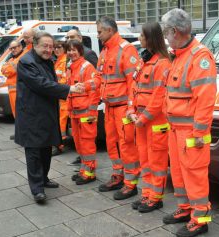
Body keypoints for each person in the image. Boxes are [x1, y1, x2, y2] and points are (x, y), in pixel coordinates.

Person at [161, 9, 217, 237]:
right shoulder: (182, 55)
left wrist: (198, 134)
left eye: (166, 32)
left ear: (175, 31)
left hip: (191, 132)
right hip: (177, 129)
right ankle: (185, 209)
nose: (165, 37)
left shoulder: (199, 57)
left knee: (194, 175)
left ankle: (200, 219)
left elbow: (205, 99)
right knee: (179, 173)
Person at [15, 31, 83, 203]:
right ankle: (37, 189)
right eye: (45, 46)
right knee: (33, 152)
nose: (48, 50)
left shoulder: (47, 61)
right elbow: (41, 84)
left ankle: (44, 179)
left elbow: (50, 83)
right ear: (35, 45)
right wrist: (69, 89)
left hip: (46, 113)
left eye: (51, 47)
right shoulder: (25, 62)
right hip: (31, 115)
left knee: (46, 149)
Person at [93, 16, 140, 200]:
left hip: (122, 109)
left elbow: (134, 84)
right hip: (109, 108)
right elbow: (99, 77)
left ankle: (130, 184)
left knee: (127, 145)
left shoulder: (126, 50)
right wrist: (88, 86)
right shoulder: (105, 51)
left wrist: (131, 108)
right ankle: (118, 176)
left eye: (99, 32)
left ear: (109, 30)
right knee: (112, 144)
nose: (98, 36)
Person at [126, 22, 171, 213]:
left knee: (157, 162)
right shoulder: (144, 61)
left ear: (151, 38)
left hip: (155, 123)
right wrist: (131, 111)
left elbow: (159, 96)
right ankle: (147, 194)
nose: (139, 39)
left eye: (142, 36)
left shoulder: (162, 63)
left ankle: (155, 198)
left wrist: (142, 117)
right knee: (144, 160)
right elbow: (134, 89)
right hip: (142, 121)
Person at [65, 40, 100, 185]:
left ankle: (89, 173)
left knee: (87, 143)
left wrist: (92, 111)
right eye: (69, 50)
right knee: (79, 143)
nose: (71, 52)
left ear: (80, 51)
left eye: (74, 50)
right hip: (75, 112)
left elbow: (94, 89)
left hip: (86, 113)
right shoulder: (70, 67)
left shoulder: (87, 67)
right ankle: (84, 170)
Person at [52, 40, 68, 156]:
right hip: (58, 96)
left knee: (61, 122)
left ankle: (59, 145)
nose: (56, 49)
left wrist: (54, 86)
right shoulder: (57, 61)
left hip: (63, 97)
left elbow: (65, 79)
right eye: (55, 48)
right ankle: (58, 143)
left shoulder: (65, 61)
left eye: (59, 47)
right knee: (58, 121)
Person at [1, 41, 25, 119]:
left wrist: (7, 68)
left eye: (14, 48)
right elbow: (3, 69)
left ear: (20, 47)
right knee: (16, 115)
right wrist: (7, 69)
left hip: (20, 91)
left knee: (21, 115)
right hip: (13, 91)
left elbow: (9, 71)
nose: (12, 50)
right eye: (11, 48)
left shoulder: (22, 57)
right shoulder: (12, 59)